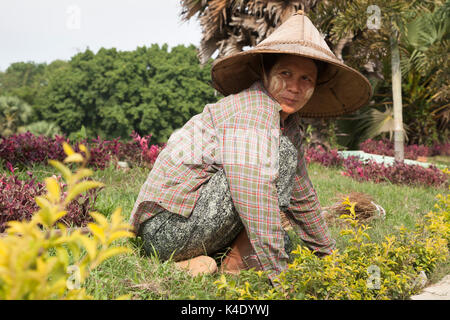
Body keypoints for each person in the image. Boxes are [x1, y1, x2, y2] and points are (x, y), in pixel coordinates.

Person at [129, 10, 372, 285]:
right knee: (280, 160)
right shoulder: (254, 111)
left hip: (196, 224)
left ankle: (200, 263)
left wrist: (329, 258)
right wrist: (280, 277)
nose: (294, 86)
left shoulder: (287, 122)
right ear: (265, 73)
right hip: (166, 229)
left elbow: (302, 196)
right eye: (286, 73)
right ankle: (234, 265)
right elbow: (253, 192)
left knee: (289, 245)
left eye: (306, 79)